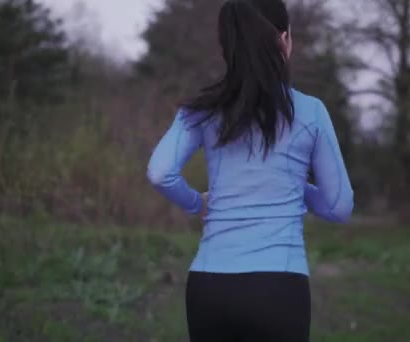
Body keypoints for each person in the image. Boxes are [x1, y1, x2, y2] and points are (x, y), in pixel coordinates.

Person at [146, 0, 354, 340]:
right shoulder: (311, 111)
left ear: (227, 47)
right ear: (285, 41)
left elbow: (160, 172)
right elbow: (339, 206)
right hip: (278, 287)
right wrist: (292, 185)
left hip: (208, 288)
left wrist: (196, 203)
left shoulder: (202, 110)